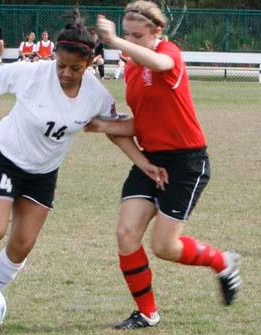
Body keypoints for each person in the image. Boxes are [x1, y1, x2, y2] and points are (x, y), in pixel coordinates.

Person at [0, 8, 167, 302]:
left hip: (43, 173)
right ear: (55, 57)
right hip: (4, 156)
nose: (65, 74)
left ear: (89, 63)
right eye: (61, 65)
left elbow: (115, 130)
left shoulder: (96, 95)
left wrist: (144, 163)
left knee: (21, 245)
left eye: (75, 68)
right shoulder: (31, 73)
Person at [88, 0, 242, 329]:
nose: (131, 40)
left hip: (187, 161)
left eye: (138, 35)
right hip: (151, 158)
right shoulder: (130, 68)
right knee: (126, 233)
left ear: (157, 32)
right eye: (127, 34)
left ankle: (223, 262)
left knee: (164, 246)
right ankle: (147, 313)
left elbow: (158, 62)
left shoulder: (169, 53)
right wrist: (106, 126)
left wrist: (115, 41)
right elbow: (142, 124)